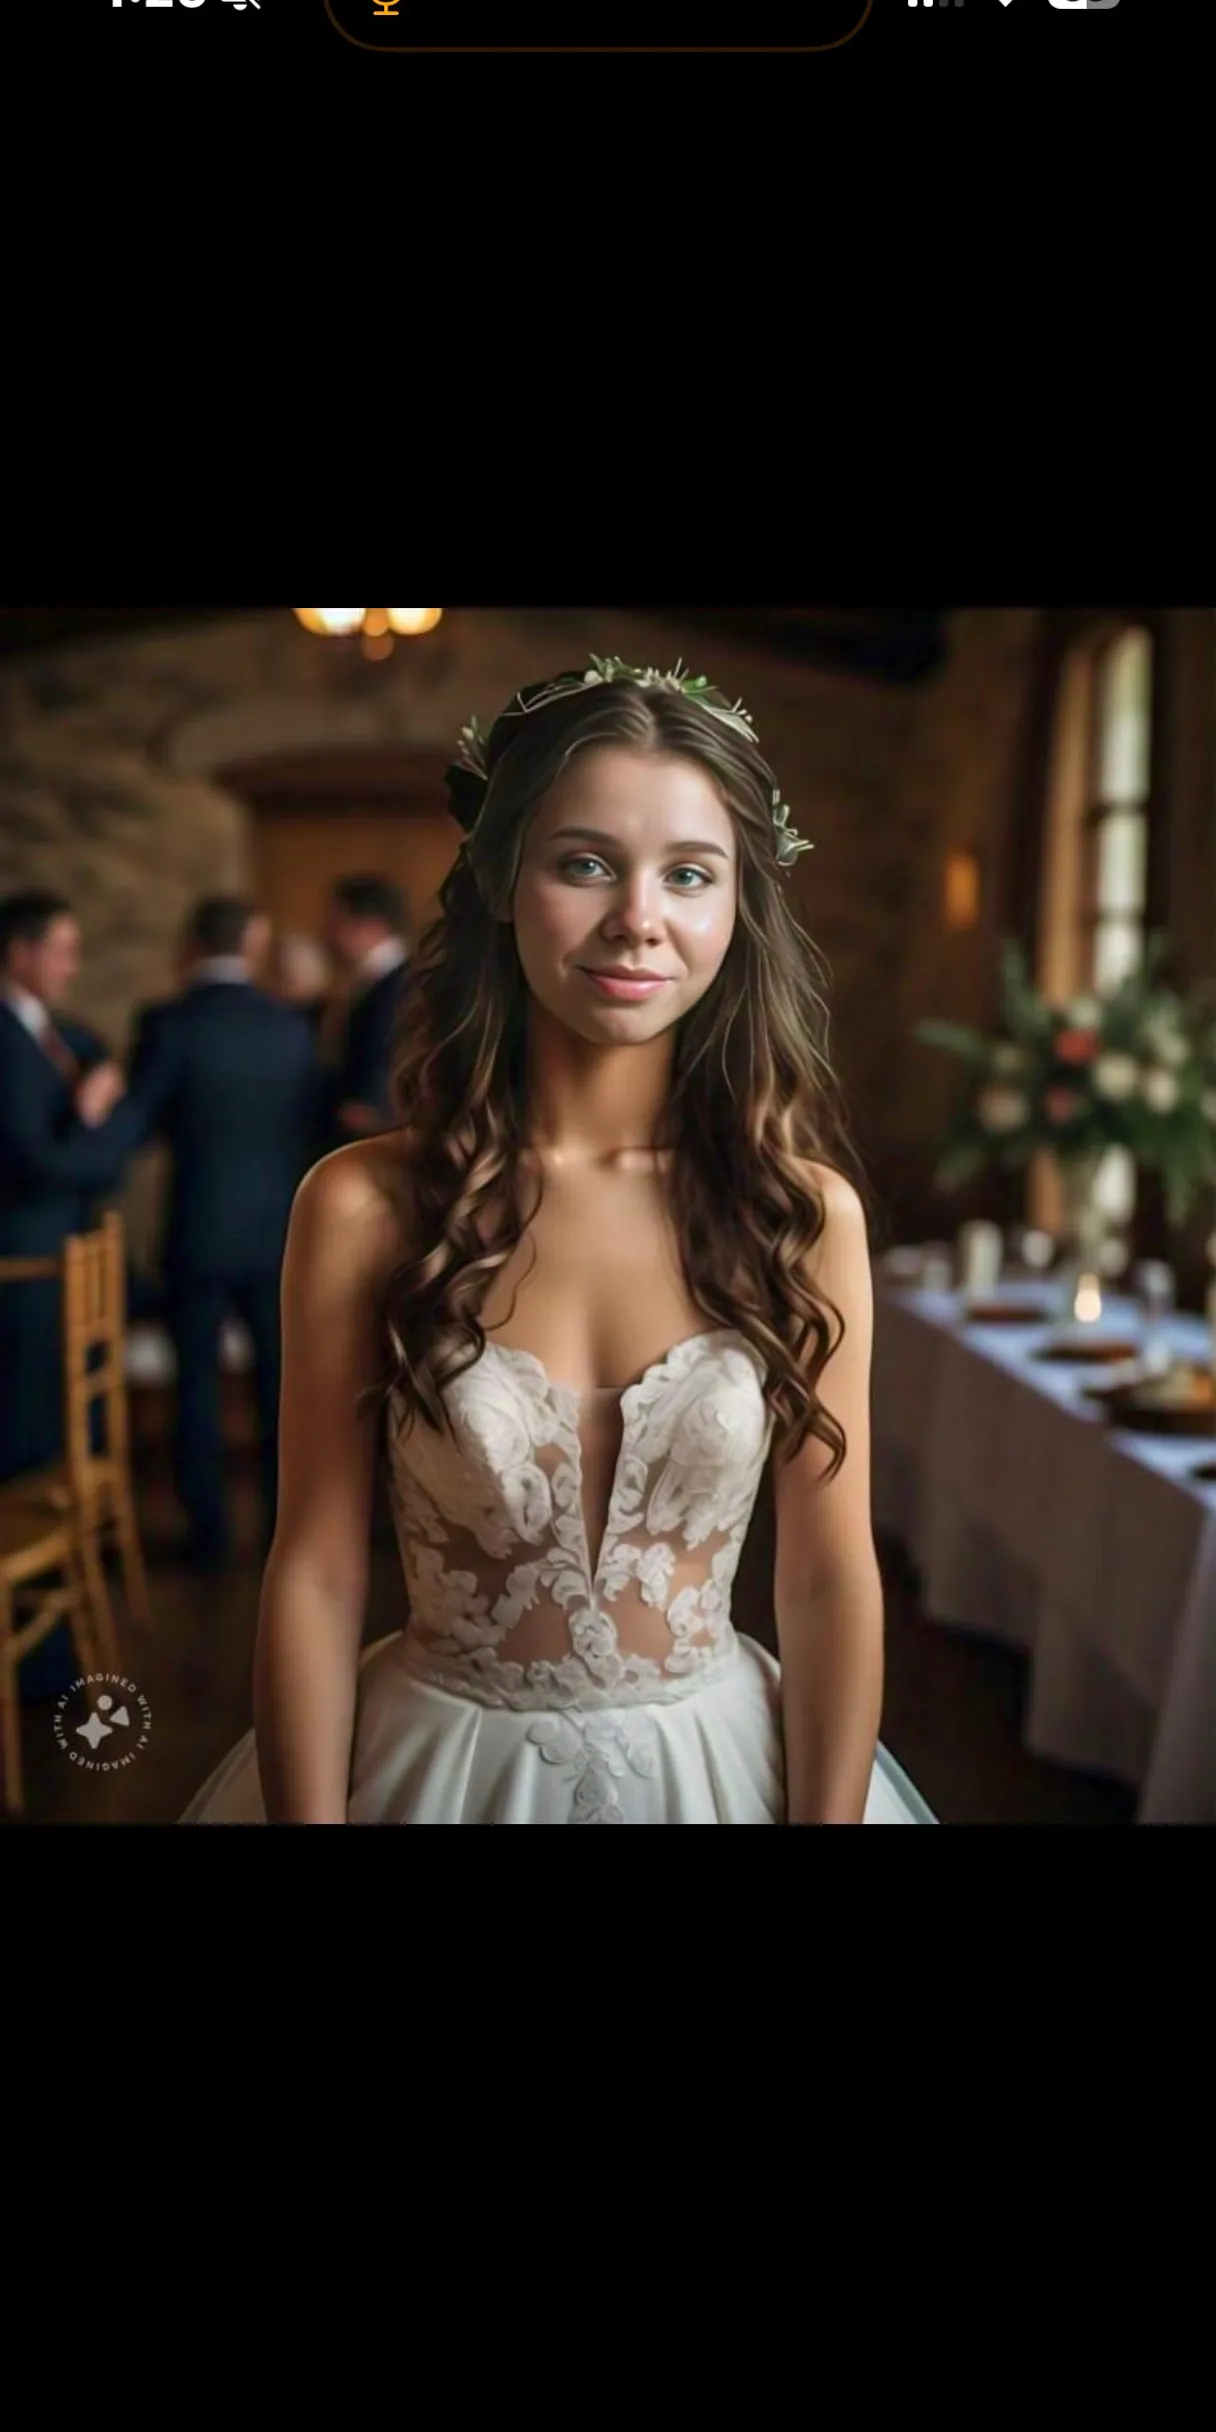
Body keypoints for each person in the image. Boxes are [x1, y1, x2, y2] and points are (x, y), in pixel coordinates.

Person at [183, 654, 935, 1824]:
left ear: (736, 908)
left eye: (689, 874)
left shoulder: (797, 1213)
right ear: (499, 880)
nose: (638, 918)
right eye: (585, 863)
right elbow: (318, 1568)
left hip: (722, 1768)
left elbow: (830, 1575)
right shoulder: (363, 1206)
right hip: (434, 1767)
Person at [0, 889, 170, 1695]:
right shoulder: (5, 1040)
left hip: (65, 1258)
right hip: (24, 1267)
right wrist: (94, 1117)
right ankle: (36, 1656)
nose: (71, 965)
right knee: (29, 1439)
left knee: (67, 1431)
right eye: (61, 949)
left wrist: (99, 1119)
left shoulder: (59, 1035)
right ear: (20, 952)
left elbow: (116, 1135)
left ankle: (69, 1605)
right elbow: (46, 1163)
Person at [125, 895, 321, 1570]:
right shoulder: (290, 1027)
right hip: (276, 1235)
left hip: (198, 1231)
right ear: (254, 941)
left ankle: (207, 1533)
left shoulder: (167, 1023)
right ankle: (280, 1529)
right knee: (280, 1387)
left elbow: (137, 1125)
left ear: (190, 944)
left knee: (196, 1387)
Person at [318, 875, 409, 1145]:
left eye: (335, 921)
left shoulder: (400, 985)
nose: (325, 932)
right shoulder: (369, 982)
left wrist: (369, 1104)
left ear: (372, 926)